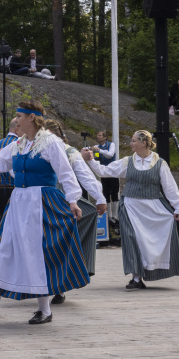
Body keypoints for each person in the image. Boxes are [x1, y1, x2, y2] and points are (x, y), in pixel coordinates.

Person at [0, 100, 88, 324]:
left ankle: (45, 310)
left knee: (37, 252)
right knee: (5, 248)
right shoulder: (19, 144)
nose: (17, 119)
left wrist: (73, 200)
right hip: (19, 202)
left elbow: (65, 173)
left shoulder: (50, 142)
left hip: (41, 201)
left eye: (20, 115)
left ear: (32, 117)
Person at [82, 130, 179, 290]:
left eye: (133, 141)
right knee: (131, 239)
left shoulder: (159, 163)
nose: (130, 143)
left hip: (153, 208)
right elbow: (104, 171)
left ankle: (156, 269)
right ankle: (136, 278)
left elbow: (170, 187)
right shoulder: (128, 162)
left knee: (154, 240)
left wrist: (178, 206)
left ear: (144, 143)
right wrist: (91, 160)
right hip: (131, 207)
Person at [43, 119, 107, 302]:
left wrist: (100, 198)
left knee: (56, 242)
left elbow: (85, 177)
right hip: (44, 201)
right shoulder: (36, 149)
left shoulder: (69, 152)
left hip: (63, 202)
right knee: (49, 243)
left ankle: (60, 285)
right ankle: (52, 284)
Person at [92, 131, 120, 221]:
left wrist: (99, 150)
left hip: (113, 171)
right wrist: (94, 153)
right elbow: (97, 158)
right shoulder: (97, 147)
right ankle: (109, 215)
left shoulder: (111, 144)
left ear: (105, 137)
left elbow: (110, 155)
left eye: (100, 135)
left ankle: (115, 215)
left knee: (114, 192)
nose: (98, 136)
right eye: (97, 135)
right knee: (106, 193)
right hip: (104, 172)